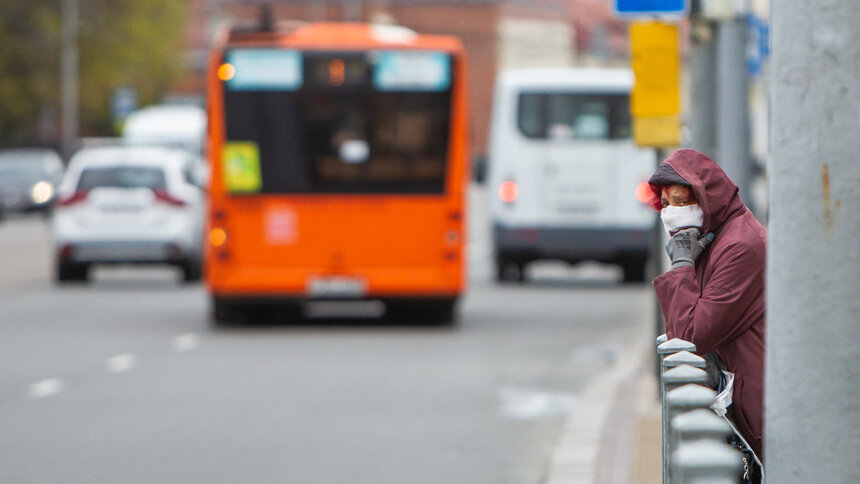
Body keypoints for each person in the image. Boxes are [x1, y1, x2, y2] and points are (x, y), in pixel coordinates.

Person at [647, 148, 767, 461]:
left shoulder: (739, 246)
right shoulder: (713, 239)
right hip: (742, 403)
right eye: (667, 203)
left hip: (759, 412)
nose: (672, 212)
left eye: (682, 201)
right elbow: (680, 328)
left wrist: (683, 264)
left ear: (705, 198)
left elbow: (689, 337)